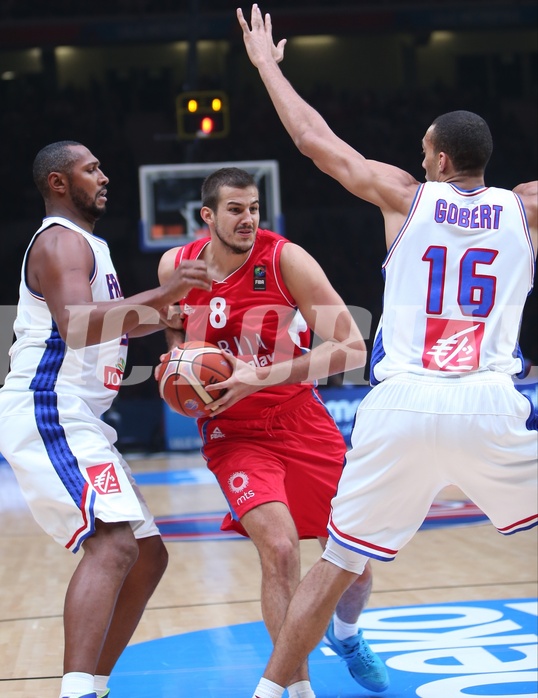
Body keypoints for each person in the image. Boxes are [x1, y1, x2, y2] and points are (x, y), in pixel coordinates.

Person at [236, 5, 538, 698]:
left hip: (400, 402)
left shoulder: (403, 198)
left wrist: (267, 67)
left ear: (434, 158)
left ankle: (272, 691)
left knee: (335, 563)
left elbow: (316, 140)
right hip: (489, 403)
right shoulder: (526, 208)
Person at [157, 166, 390, 696]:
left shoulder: (286, 259)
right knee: (281, 550)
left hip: (300, 419)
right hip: (233, 434)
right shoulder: (177, 263)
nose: (248, 219)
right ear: (208, 216)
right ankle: (299, 687)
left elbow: (352, 348)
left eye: (254, 208)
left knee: (355, 566)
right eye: (235, 210)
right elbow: (174, 334)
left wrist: (260, 375)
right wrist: (183, 374)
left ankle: (347, 635)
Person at [0, 141, 211, 698]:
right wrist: (164, 290)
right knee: (114, 544)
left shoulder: (90, 245)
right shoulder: (60, 242)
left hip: (80, 414)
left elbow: (109, 322)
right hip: (49, 405)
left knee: (147, 556)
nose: (104, 175)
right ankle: (77, 693)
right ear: (58, 182)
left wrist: (162, 311)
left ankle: (93, 683)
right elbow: (75, 325)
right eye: (90, 169)